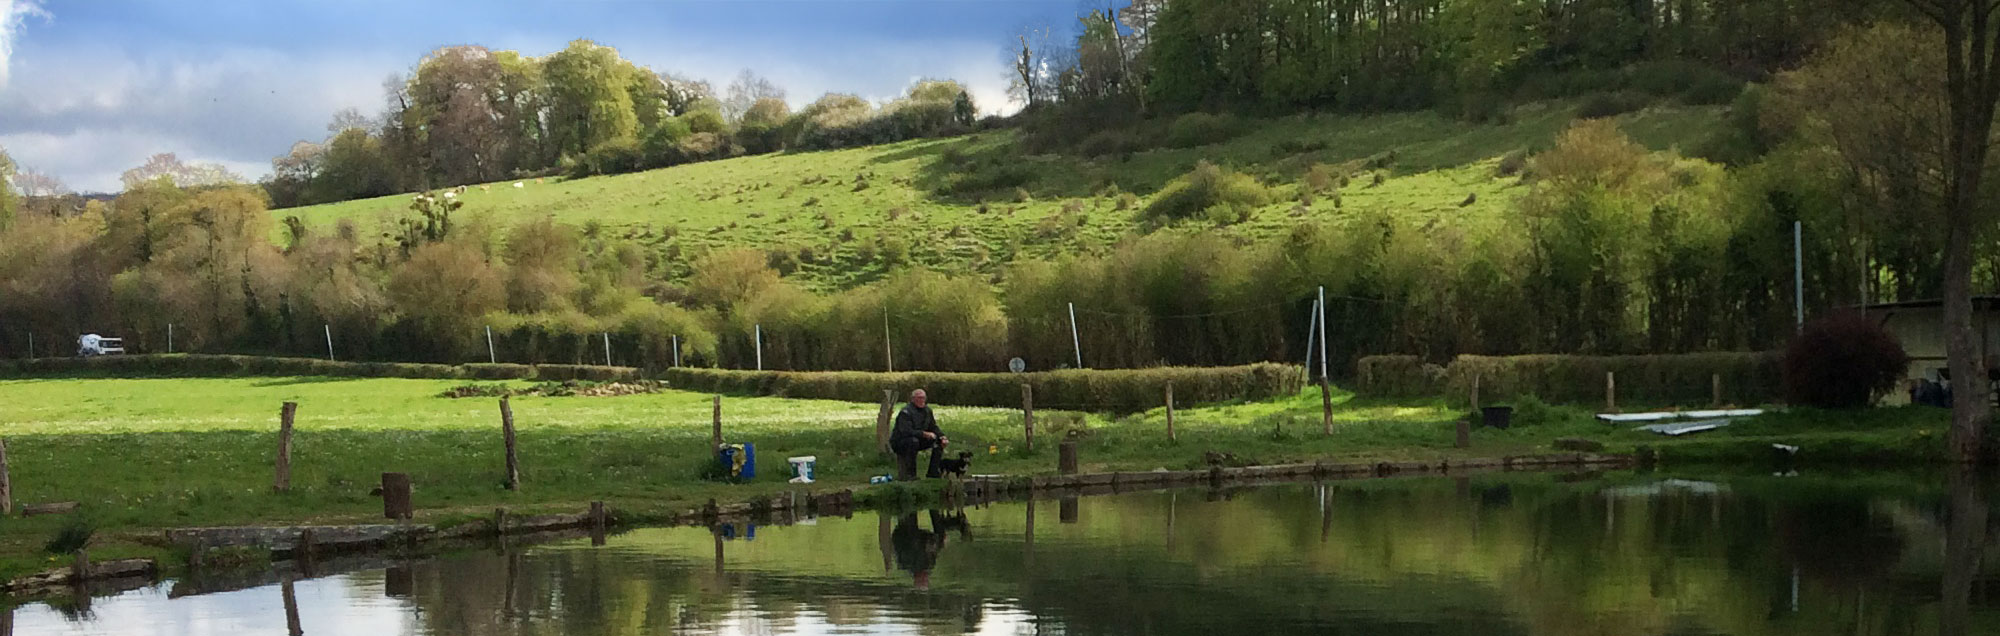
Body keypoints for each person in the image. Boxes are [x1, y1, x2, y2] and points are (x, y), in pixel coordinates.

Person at [890, 388, 947, 479]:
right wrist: (924, 434)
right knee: (913, 441)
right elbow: (906, 431)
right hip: (901, 441)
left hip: (918, 438)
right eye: (919, 398)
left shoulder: (927, 411)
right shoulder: (906, 412)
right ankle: (911, 475)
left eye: (923, 398)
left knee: (938, 442)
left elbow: (933, 426)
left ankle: (933, 473)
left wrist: (942, 436)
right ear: (913, 399)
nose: (921, 400)